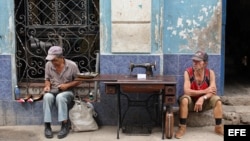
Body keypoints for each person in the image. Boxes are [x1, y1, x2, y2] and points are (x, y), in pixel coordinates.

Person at [175, 50, 224, 139]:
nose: (195, 63)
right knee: (184, 99)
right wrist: (204, 91)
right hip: (191, 103)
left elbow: (213, 91)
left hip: (204, 103)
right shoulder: (188, 72)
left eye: (198, 61)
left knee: (217, 100)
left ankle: (218, 127)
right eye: (194, 61)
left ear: (205, 63)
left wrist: (202, 98)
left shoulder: (210, 73)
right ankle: (182, 127)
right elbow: (187, 91)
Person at [43, 46, 82, 139]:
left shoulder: (72, 65)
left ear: (61, 57)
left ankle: (64, 125)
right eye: (51, 60)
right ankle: (47, 126)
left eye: (55, 60)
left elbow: (79, 80)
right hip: (53, 90)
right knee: (47, 97)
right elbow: (47, 79)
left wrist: (67, 85)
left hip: (68, 92)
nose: (53, 62)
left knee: (60, 97)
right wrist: (47, 86)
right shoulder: (48, 65)